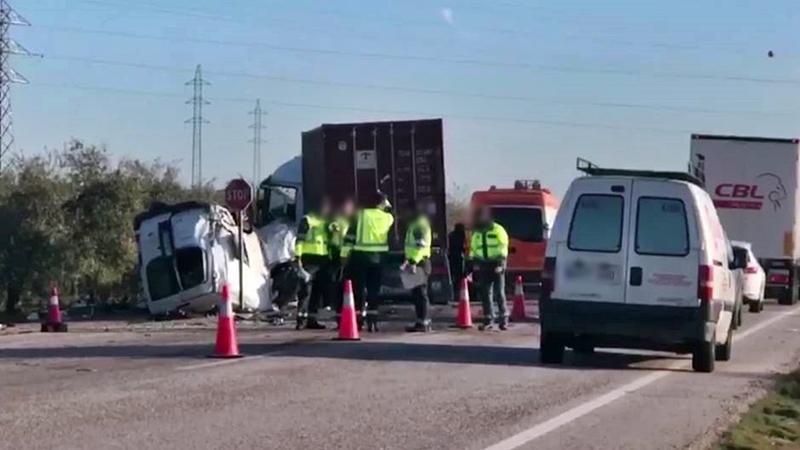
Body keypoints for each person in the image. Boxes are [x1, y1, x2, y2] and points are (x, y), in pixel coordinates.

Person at [342, 193, 394, 332]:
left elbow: (350, 237)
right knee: (374, 290)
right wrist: (386, 203)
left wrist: (343, 256)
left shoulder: (359, 215)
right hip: (379, 258)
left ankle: (358, 320)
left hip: (360, 257)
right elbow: (390, 209)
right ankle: (373, 322)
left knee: (359, 289)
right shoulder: (388, 218)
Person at [468, 206, 510, 331]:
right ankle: (488, 319)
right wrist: (472, 262)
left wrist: (500, 264)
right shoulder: (477, 232)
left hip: (496, 263)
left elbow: (503, 246)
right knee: (485, 293)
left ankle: (504, 319)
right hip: (483, 264)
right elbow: (474, 248)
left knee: (499, 293)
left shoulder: (498, 230)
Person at [294, 197, 333, 330]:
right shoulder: (307, 220)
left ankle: (312, 319)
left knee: (317, 291)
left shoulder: (326, 222)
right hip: (309, 258)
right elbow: (299, 240)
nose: (327, 210)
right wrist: (298, 258)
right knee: (306, 290)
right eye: (325, 207)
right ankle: (301, 319)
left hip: (322, 259)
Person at [401, 201, 433, 332]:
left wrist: (413, 262)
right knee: (417, 294)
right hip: (416, 262)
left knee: (421, 294)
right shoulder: (415, 224)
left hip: (419, 263)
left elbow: (420, 246)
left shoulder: (419, 225)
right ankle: (421, 322)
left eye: (407, 211)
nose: (405, 214)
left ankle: (423, 322)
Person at [329, 198, 355, 327]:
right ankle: (340, 316)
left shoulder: (352, 222)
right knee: (339, 288)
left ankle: (347, 315)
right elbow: (332, 228)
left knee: (348, 288)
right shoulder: (339, 220)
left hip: (349, 257)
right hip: (338, 256)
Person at [447, 223, 467, 300]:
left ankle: (453, 291)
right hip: (459, 256)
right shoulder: (461, 234)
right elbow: (463, 245)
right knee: (459, 275)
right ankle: (458, 292)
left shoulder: (451, 235)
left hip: (451, 256)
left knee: (453, 274)